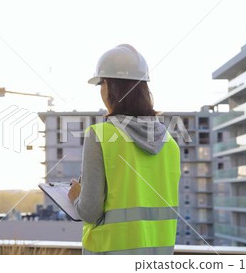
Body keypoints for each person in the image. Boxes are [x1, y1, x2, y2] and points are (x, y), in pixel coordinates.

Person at [68, 44, 181, 255]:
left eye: (101, 84)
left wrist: (76, 196)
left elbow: (89, 212)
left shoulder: (100, 136)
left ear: (109, 86)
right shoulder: (171, 144)